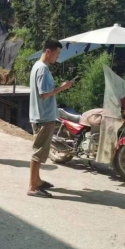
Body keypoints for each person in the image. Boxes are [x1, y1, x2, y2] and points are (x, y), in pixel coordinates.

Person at [27, 40, 73, 198]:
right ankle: (32, 187)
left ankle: (37, 181)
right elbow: (44, 94)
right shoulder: (42, 69)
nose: (58, 57)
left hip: (40, 115)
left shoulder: (37, 66)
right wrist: (63, 88)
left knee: (40, 151)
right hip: (43, 117)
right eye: (57, 53)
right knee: (38, 152)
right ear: (48, 51)